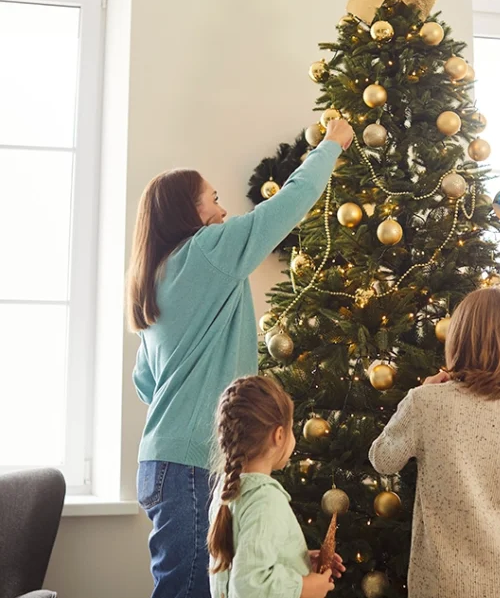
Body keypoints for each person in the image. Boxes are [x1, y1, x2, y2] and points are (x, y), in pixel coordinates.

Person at [127, 118, 354, 598]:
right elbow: (286, 207)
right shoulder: (208, 251)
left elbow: (146, 383)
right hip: (191, 464)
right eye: (212, 199)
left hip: (162, 459)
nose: (224, 209)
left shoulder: (156, 277)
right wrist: (330, 147)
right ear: (188, 212)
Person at [369, 287, 500, 598]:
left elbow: (383, 459)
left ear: (459, 338)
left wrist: (420, 394)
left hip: (445, 582)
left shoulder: (426, 402)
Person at [207, 375, 344, 598]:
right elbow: (249, 585)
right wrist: (304, 587)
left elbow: (245, 560)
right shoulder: (265, 500)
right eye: (291, 429)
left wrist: (297, 559)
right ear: (278, 435)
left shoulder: (228, 490)